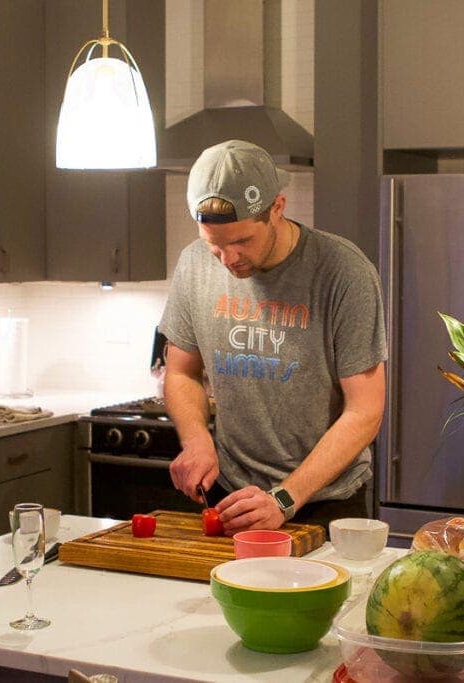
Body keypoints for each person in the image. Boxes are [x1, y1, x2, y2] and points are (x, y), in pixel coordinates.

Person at [158, 139, 387, 533]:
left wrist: (284, 497)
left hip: (324, 502)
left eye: (242, 241)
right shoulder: (194, 265)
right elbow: (180, 372)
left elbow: (365, 411)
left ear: (277, 208)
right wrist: (196, 440)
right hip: (230, 496)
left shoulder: (343, 273)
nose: (228, 259)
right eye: (214, 244)